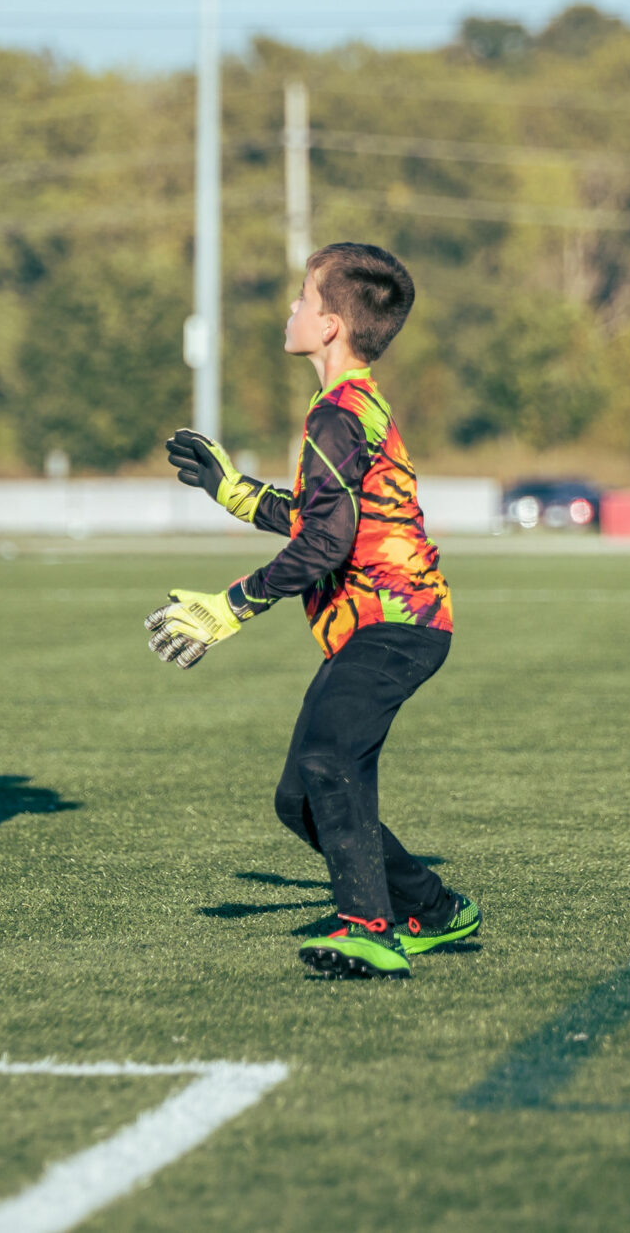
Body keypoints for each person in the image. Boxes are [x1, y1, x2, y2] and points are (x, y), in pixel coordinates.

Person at [149, 241, 477, 979]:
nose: (291, 310)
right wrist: (234, 491)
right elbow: (324, 518)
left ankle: (368, 925)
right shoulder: (350, 406)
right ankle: (434, 907)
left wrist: (229, 608)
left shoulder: (336, 413)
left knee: (330, 760)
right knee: (301, 797)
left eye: (302, 298)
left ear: (330, 325)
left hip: (395, 626)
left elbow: (325, 544)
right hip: (386, 628)